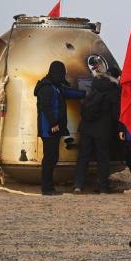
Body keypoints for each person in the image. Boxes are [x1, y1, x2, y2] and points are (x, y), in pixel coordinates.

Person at [34, 61, 86, 195]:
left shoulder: (54, 86)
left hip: (52, 129)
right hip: (49, 130)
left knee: (52, 157)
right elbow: (46, 108)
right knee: (49, 158)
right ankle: (47, 188)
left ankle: (49, 187)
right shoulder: (46, 88)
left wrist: (84, 93)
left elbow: (68, 92)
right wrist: (53, 124)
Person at [74, 68, 120, 194]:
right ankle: (103, 188)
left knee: (83, 157)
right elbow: (116, 113)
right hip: (103, 129)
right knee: (102, 158)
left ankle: (78, 185)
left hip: (86, 126)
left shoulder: (94, 84)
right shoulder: (114, 90)